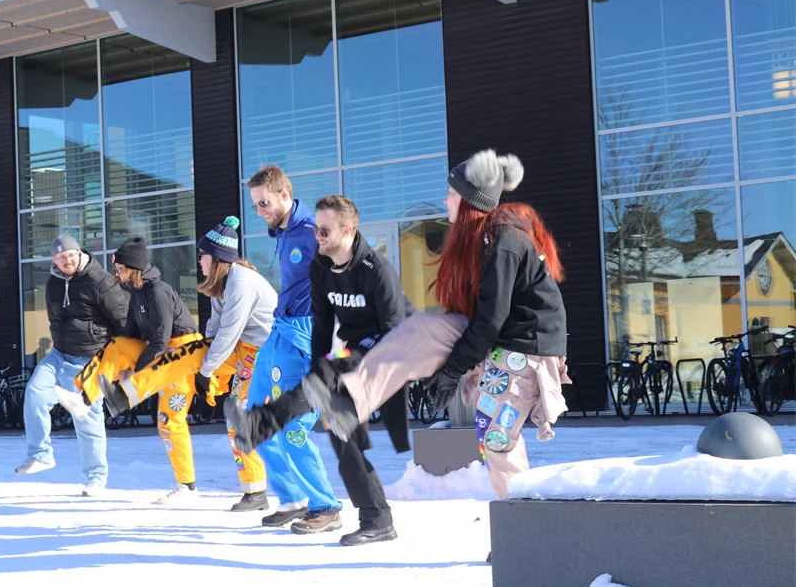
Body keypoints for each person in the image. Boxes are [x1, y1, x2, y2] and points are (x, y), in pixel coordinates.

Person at [291, 149, 570, 501]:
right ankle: (353, 398)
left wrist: (453, 369)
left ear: (469, 200)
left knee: (496, 440)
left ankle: (522, 522)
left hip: (526, 345)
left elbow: (490, 320)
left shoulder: (503, 241)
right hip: (499, 335)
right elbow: (482, 319)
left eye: (451, 193)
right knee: (419, 328)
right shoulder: (483, 237)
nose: (445, 199)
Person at [227, 195, 411, 545]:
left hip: (382, 354)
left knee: (346, 436)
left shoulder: (376, 272)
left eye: (324, 230)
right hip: (343, 353)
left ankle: (372, 518)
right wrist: (317, 371)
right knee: (323, 418)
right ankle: (262, 423)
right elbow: (322, 324)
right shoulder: (322, 268)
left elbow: (395, 330)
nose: (317, 236)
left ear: (348, 230)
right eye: (316, 230)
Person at [96, 217, 277, 511]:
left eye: (202, 255)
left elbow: (229, 332)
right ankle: (126, 393)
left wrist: (206, 371)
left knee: (238, 417)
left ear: (216, 258)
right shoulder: (223, 283)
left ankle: (256, 492)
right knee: (183, 357)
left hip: (264, 353)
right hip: (239, 349)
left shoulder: (241, 282)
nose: (199, 261)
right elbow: (215, 327)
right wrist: (202, 360)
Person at [55, 236, 201, 505]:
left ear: (133, 268)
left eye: (120, 268)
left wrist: (136, 371)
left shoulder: (158, 291)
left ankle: (187, 487)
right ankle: (85, 398)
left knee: (169, 420)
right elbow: (130, 338)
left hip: (181, 353)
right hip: (159, 353)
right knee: (118, 344)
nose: (117, 272)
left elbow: (160, 339)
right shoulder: (137, 296)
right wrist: (122, 366)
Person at [238, 165, 343, 534]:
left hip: (305, 337)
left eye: (264, 203)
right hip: (280, 333)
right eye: (254, 205)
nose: (259, 211)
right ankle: (294, 497)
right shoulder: (284, 232)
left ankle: (325, 505)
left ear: (284, 195)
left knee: (292, 427)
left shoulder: (311, 233)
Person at [15, 234, 127, 498]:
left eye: (71, 255)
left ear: (79, 253)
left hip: (91, 357)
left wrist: (121, 362)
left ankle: (96, 478)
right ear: (54, 260)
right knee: (34, 391)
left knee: (87, 418)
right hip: (59, 354)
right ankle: (41, 454)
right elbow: (53, 317)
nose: (67, 260)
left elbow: (123, 321)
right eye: (61, 257)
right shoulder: (52, 283)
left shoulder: (101, 281)